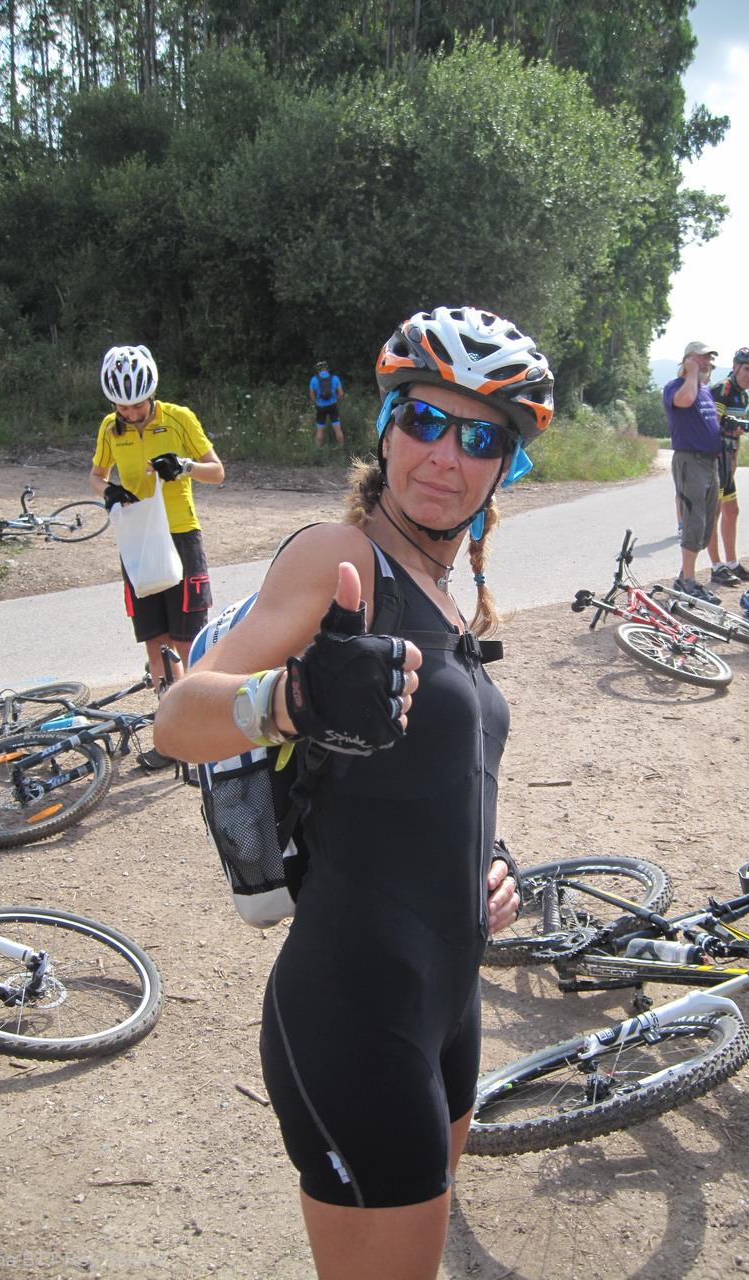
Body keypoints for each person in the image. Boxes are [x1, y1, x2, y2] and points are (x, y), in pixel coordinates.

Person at [153, 305, 553, 1280]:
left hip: (448, 1001)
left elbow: (437, 775)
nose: (445, 455)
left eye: (480, 438)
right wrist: (287, 700)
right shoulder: (342, 560)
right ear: (385, 426)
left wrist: (490, 861)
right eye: (425, 419)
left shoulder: (446, 590)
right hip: (354, 1012)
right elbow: (176, 719)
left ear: (507, 466)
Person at [89, 344, 225, 685]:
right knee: (157, 643)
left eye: (138, 405)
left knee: (188, 640)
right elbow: (96, 475)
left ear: (151, 395)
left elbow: (217, 472)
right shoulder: (110, 428)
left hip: (180, 534)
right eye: (123, 407)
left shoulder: (179, 418)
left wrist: (184, 466)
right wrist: (109, 491)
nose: (132, 413)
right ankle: (168, 707)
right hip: (139, 539)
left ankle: (198, 702)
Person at [662, 340, 723, 603]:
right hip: (690, 461)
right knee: (694, 520)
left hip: (710, 462)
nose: (707, 363)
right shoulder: (676, 387)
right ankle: (687, 583)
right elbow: (685, 401)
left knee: (707, 523)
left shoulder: (705, 390)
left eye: (709, 359)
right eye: (701, 358)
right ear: (688, 360)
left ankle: (684, 576)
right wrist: (692, 373)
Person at [707, 346, 749, 587]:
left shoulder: (743, 395)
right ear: (735, 366)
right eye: (746, 369)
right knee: (714, 513)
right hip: (714, 459)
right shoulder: (723, 389)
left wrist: (735, 461)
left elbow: (735, 433)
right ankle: (716, 566)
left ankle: (732, 563)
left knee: (732, 511)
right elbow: (711, 426)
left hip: (728, 461)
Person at [309, 359, 345, 448]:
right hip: (332, 406)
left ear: (318, 369)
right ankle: (341, 448)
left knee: (320, 430)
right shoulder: (335, 378)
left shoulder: (314, 379)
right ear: (327, 368)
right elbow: (341, 393)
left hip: (321, 407)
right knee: (337, 429)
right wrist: (335, 399)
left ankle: (318, 449)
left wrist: (316, 402)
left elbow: (312, 395)